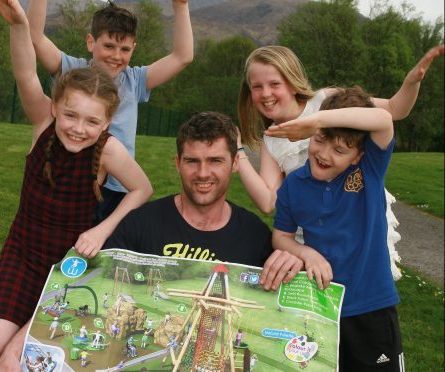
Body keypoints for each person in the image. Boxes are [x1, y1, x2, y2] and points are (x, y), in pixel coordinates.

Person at [0, 1, 153, 370]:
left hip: (69, 266)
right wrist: (18, 23)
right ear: (55, 108)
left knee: (28, 356)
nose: (79, 128)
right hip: (23, 254)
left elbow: (143, 190)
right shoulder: (41, 126)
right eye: (71, 115)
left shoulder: (109, 151)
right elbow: (26, 74)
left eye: (92, 121)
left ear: (107, 123)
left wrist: (102, 227)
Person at [237, 44, 444, 280]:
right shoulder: (272, 139)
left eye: (275, 84)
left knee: (367, 291)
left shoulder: (325, 100)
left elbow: (394, 110)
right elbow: (268, 202)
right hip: (318, 234)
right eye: (257, 87)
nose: (266, 93)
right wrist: (238, 152)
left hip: (360, 219)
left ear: (293, 82)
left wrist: (412, 82)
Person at [269, 86, 402, 371]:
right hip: (321, 308)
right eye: (319, 140)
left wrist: (319, 121)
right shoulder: (294, 184)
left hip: (372, 309)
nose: (324, 154)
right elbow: (281, 237)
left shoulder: (369, 170)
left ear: (357, 156)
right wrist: (306, 253)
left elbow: (383, 120)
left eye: (339, 149)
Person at [28, 0, 193, 225]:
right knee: (68, 246)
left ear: (133, 48)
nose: (116, 56)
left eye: (124, 49)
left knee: (107, 250)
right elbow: (35, 38)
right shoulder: (73, 71)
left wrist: (181, 6)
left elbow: (182, 57)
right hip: (77, 183)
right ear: (90, 42)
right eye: (108, 46)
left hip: (120, 189)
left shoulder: (135, 81)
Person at [105, 111, 303, 288]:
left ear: (235, 164)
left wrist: (290, 263)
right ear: (178, 164)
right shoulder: (140, 224)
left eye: (215, 161)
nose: (202, 173)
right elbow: (105, 282)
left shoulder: (255, 236)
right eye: (192, 161)